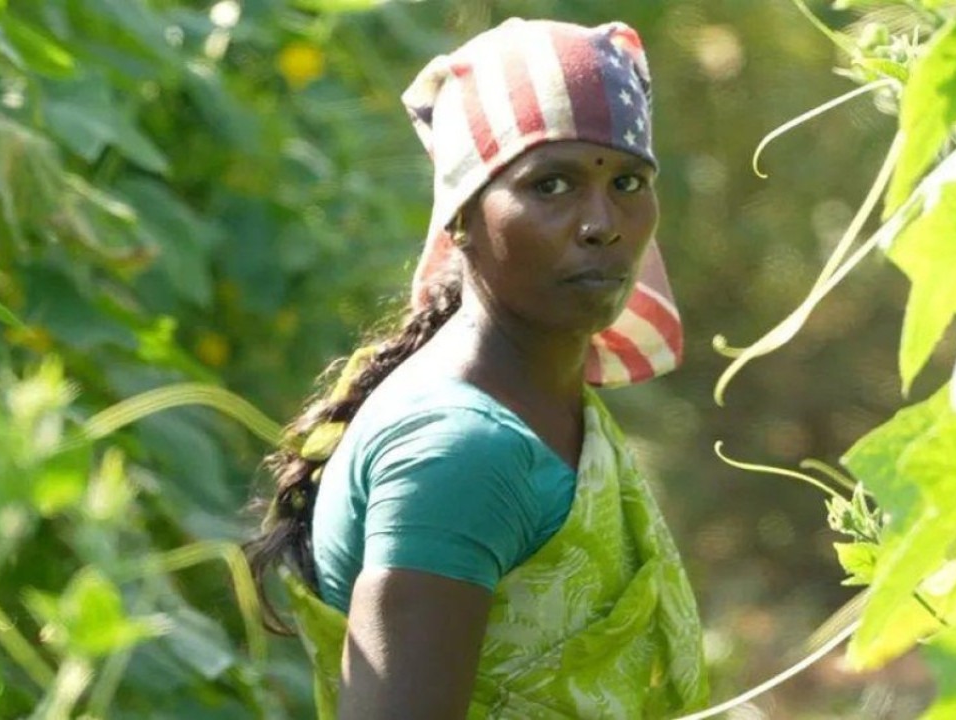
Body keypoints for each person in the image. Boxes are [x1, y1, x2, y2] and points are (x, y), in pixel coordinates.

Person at [247, 17, 709, 719]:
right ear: (461, 217)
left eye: (627, 180)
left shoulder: (543, 403)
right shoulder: (461, 452)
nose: (602, 222)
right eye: (550, 185)